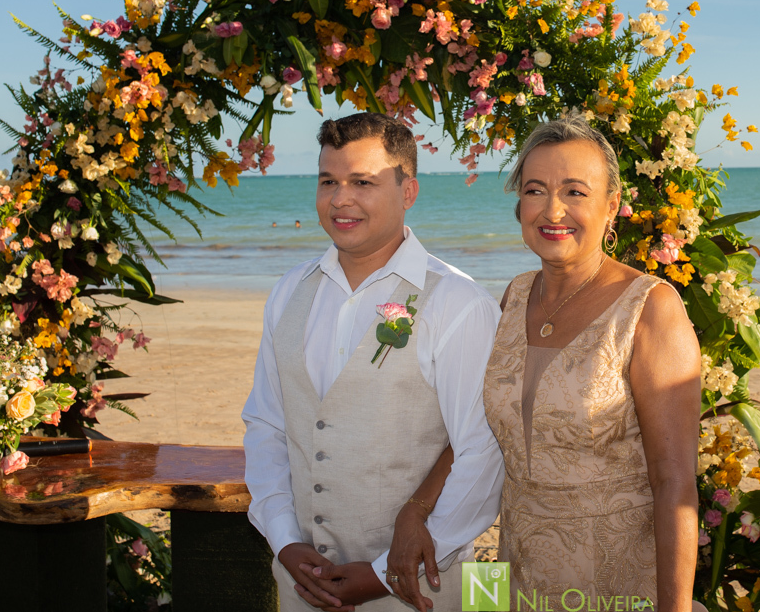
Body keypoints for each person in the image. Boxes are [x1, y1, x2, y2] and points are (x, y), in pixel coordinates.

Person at [396, 117, 701, 610]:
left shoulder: (651, 309)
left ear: (612, 207)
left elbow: (676, 484)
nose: (552, 209)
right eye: (535, 190)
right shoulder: (515, 296)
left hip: (615, 585)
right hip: (514, 573)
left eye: (575, 192)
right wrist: (415, 510)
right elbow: (485, 428)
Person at [242, 112, 504, 612]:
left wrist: (389, 569)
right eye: (328, 181)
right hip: (304, 583)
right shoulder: (288, 293)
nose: (341, 199)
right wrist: (283, 540)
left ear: (408, 192)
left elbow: (482, 449)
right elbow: (266, 424)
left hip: (421, 586)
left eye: (363, 182)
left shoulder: (458, 302)